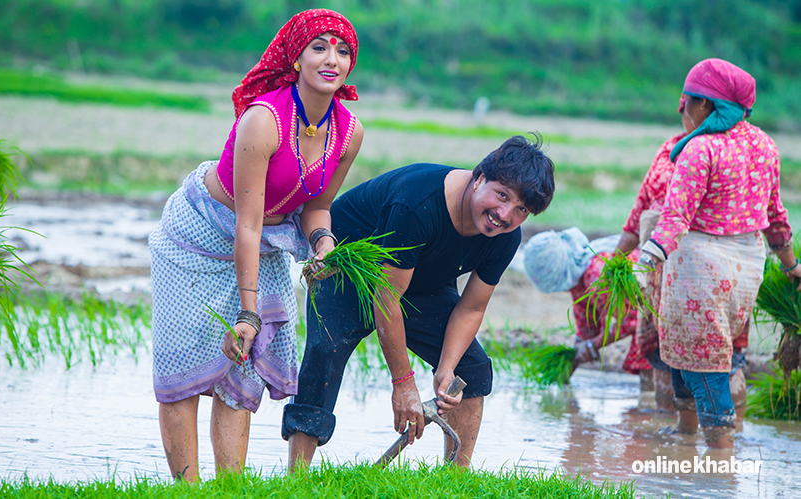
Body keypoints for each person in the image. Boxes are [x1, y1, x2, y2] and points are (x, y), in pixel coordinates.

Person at [148, 9, 363, 481]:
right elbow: (246, 223)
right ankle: (188, 490)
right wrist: (247, 313)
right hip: (198, 238)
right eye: (319, 48)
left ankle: (230, 488)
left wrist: (324, 245)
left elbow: (316, 207)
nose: (332, 60)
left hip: (263, 243)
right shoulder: (264, 119)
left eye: (343, 51)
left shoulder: (349, 131)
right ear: (296, 57)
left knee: (242, 368)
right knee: (183, 362)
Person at [283, 135, 555, 470]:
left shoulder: (504, 237)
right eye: (502, 196)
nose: (504, 214)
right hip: (349, 270)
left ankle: (456, 479)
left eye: (521, 209)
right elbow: (385, 298)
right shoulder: (418, 202)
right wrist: (403, 384)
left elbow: (471, 307)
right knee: (325, 351)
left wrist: (447, 367)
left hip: (417, 282)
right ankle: (296, 477)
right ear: (479, 177)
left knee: (471, 369)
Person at [637, 58, 801, 449]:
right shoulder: (765, 145)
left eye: (689, 101)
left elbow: (675, 218)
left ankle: (719, 459)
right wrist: (792, 266)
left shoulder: (700, 149)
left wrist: (643, 263)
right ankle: (684, 435)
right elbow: (775, 216)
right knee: (696, 352)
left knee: (706, 365)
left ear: (708, 106)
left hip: (700, 269)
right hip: (746, 266)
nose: (682, 109)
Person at [618, 129, 749, 420]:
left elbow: (658, 214)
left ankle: (684, 440)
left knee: (683, 355)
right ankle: (708, 444)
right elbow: (639, 212)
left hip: (688, 271)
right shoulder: (676, 147)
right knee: (722, 356)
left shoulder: (690, 150)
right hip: (714, 271)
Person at [522, 229, 650, 378]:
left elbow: (632, 320)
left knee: (650, 364)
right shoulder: (579, 280)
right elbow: (587, 328)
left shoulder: (597, 276)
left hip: (653, 314)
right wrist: (569, 362)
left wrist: (592, 346)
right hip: (644, 318)